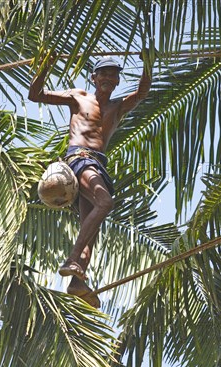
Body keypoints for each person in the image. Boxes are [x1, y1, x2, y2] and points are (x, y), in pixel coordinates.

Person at [29, 53, 152, 307]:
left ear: (118, 80)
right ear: (93, 78)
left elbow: (142, 93)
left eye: (113, 74)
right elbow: (36, 95)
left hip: (98, 165)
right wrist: (45, 66)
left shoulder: (117, 106)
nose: (108, 77)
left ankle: (77, 282)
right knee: (105, 203)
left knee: (91, 225)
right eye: (103, 73)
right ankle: (72, 259)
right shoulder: (79, 97)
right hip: (79, 159)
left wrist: (148, 63)